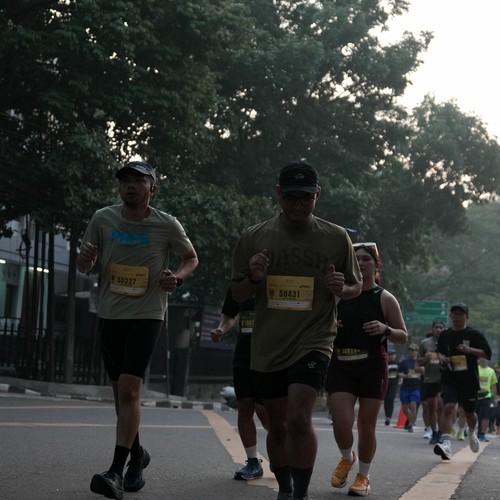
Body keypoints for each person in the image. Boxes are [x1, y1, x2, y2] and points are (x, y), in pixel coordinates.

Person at [230, 160, 363, 500]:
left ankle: (300, 494)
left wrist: (341, 288)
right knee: (278, 425)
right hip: (269, 343)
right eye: (290, 198)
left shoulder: (336, 238)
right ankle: (285, 489)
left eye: (306, 198)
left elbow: (355, 286)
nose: (298, 205)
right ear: (278, 194)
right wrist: (254, 277)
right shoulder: (255, 237)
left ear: (318, 195)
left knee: (300, 418)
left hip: (314, 338)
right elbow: (238, 293)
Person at [77, 161, 199, 499]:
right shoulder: (102, 218)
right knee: (121, 394)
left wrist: (177, 277)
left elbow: (191, 258)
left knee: (130, 391)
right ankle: (138, 456)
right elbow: (84, 264)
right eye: (125, 180)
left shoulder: (166, 224)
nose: (130, 185)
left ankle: (116, 472)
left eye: (138, 180)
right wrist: (85, 258)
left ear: (152, 189)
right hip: (110, 313)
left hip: (147, 315)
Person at [327, 242, 408, 497]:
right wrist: (330, 326)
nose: (361, 263)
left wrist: (385, 329)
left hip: (372, 365)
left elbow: (402, 335)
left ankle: (363, 475)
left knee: (366, 424)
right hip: (341, 364)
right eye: (356, 259)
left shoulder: (385, 298)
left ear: (376, 264)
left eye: (366, 259)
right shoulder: (337, 296)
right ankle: (346, 457)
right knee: (341, 421)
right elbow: (317, 327)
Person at [210, 287, 269, 480]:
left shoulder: (279, 277)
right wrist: (221, 329)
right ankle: (252, 462)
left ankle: (283, 452)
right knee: (245, 406)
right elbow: (229, 314)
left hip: (272, 354)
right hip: (244, 355)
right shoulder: (239, 282)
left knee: (266, 412)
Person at [433, 303, 492, 461]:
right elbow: (439, 352)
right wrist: (441, 358)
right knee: (448, 407)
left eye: (461, 314)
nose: (457, 316)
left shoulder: (474, 334)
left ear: (467, 316)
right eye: (455, 313)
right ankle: (446, 443)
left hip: (468, 380)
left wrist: (469, 350)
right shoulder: (445, 335)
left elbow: (487, 353)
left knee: (469, 413)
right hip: (450, 377)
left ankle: (472, 432)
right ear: (450, 316)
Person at [417, 320, 446, 444]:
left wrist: (443, 358)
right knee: (431, 407)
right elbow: (419, 361)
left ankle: (441, 432)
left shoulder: (448, 342)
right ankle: (434, 432)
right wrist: (426, 358)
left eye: (441, 327)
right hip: (429, 378)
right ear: (432, 329)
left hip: (444, 378)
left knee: (441, 405)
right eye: (436, 327)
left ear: (444, 329)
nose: (438, 329)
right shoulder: (425, 343)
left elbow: (455, 360)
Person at [398, 344, 422, 433]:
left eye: (414, 350)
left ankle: (411, 424)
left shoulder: (420, 362)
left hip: (416, 387)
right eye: (410, 350)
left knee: (413, 405)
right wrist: (405, 376)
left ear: (417, 352)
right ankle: (410, 420)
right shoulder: (404, 362)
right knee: (405, 408)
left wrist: (421, 372)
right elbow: (398, 373)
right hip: (405, 387)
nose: (412, 352)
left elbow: (425, 372)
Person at [476, 357, 498, 442]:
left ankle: (482, 434)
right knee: (475, 416)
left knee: (486, 416)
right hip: (476, 396)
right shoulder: (476, 369)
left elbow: (493, 385)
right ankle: (473, 431)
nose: (483, 360)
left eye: (485, 358)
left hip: (487, 396)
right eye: (481, 358)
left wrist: (495, 399)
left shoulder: (491, 371)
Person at [383, 348, 400, 426]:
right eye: (390, 354)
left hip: (394, 384)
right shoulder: (384, 363)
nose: (392, 356)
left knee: (390, 399)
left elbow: (401, 372)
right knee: (386, 400)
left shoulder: (398, 364)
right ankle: (387, 416)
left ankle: (389, 417)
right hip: (386, 384)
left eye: (393, 354)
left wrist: (401, 378)